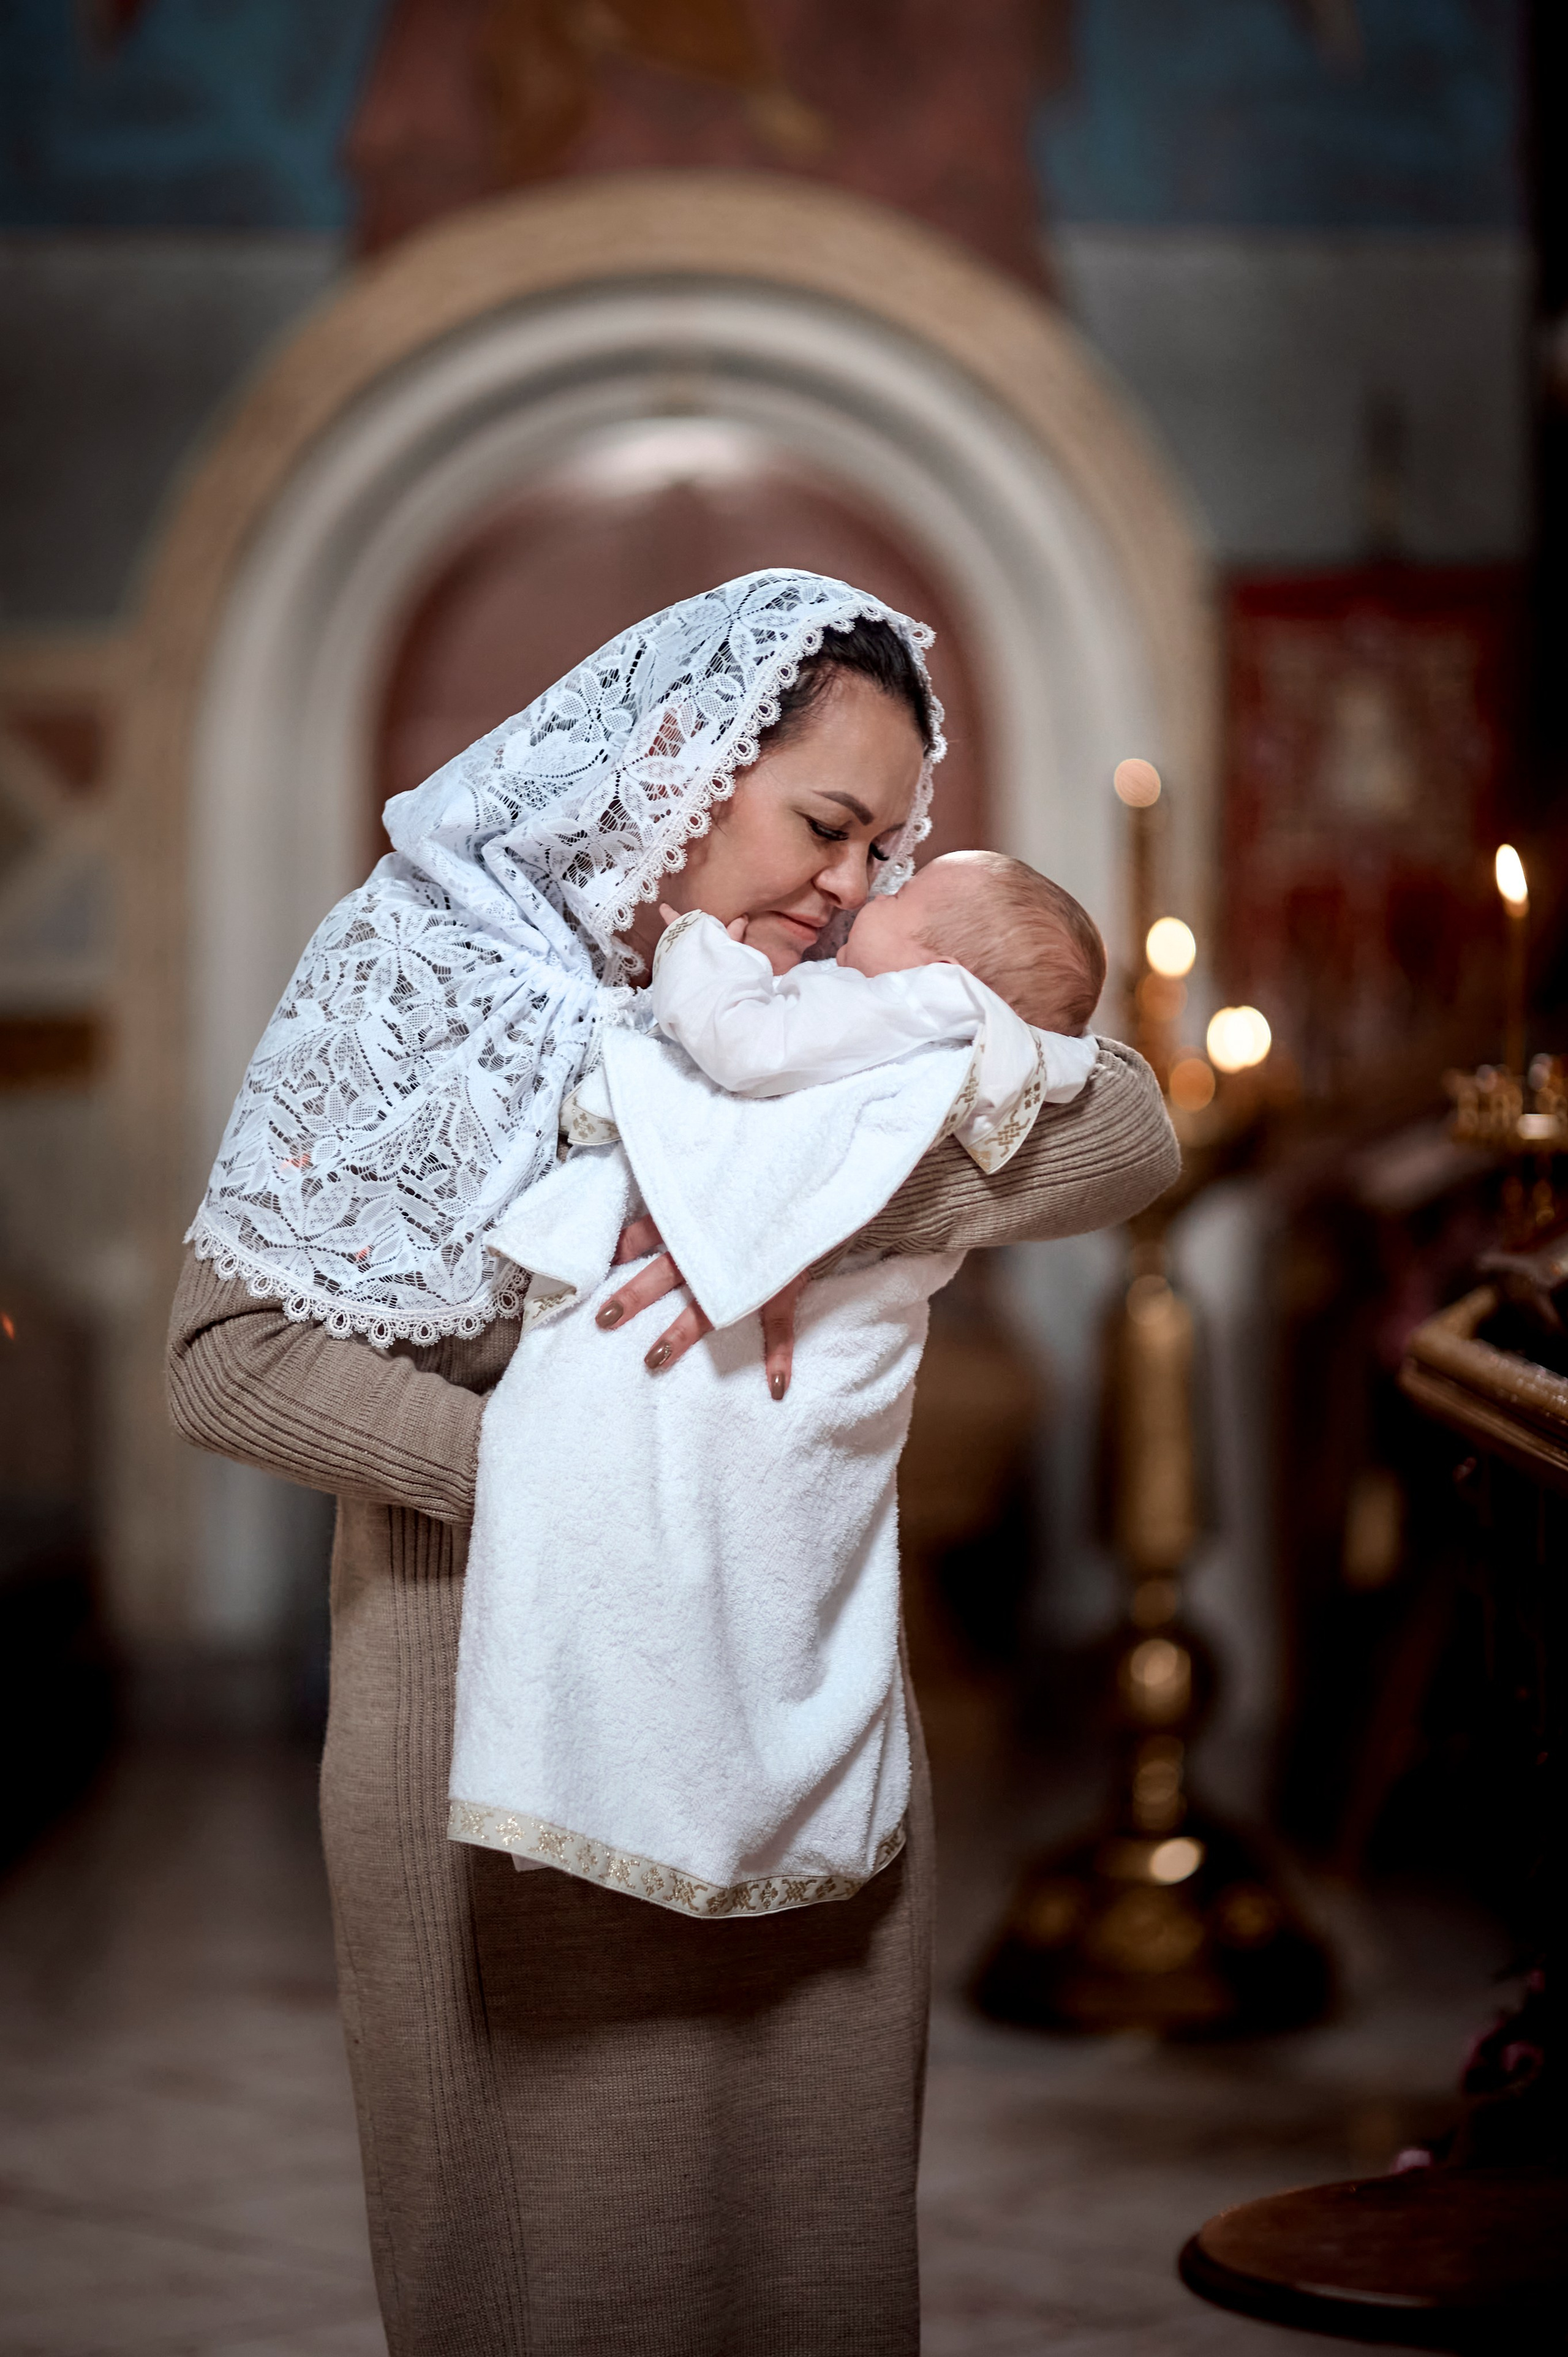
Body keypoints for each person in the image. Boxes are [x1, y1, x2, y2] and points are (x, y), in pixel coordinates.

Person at [167, 570, 1178, 2356]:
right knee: (541, 2288)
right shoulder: (425, 971)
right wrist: (597, 1468)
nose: (852, 886)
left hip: (801, 1736)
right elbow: (228, 1361)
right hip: (484, 1712)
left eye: (882, 848)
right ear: (679, 760)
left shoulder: (845, 1033)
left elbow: (1126, 1127)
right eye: (825, 824)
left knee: (813, 2272)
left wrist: (793, 1221)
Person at [450, 851, 1107, 1918]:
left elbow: (752, 1052)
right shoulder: (927, 1020)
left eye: (899, 893)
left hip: (806, 1337)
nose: (864, 897)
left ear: (943, 967)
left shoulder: (919, 1007)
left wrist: (696, 953)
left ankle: (645, 1779)